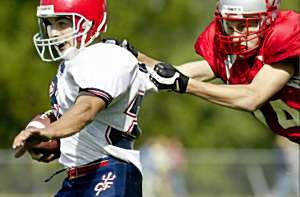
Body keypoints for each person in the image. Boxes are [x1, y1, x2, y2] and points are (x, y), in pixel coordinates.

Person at [12, 0, 156, 196]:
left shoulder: (102, 56)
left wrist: (49, 132)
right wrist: (38, 129)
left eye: (62, 23)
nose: (53, 32)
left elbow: (87, 109)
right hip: (79, 176)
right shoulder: (74, 64)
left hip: (108, 170)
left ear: (89, 23)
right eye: (50, 23)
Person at [139, 0, 300, 144]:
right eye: (229, 26)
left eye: (243, 26)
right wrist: (136, 58)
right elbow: (173, 73)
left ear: (267, 20)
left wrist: (186, 85)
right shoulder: (232, 54)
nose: (235, 37)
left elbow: (252, 97)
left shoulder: (284, 36)